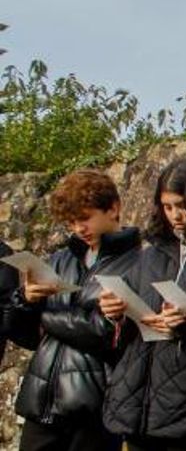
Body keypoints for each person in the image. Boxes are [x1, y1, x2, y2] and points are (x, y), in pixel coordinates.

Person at [100, 158, 186, 451]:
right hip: (136, 401)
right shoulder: (151, 253)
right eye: (167, 206)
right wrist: (115, 312)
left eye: (181, 205)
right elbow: (128, 308)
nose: (175, 216)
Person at [8, 170, 142, 451]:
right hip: (42, 402)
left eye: (85, 218)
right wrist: (25, 299)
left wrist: (45, 316)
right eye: (71, 222)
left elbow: (105, 333)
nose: (79, 228)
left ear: (113, 208)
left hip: (92, 408)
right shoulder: (60, 259)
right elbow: (26, 337)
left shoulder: (138, 263)